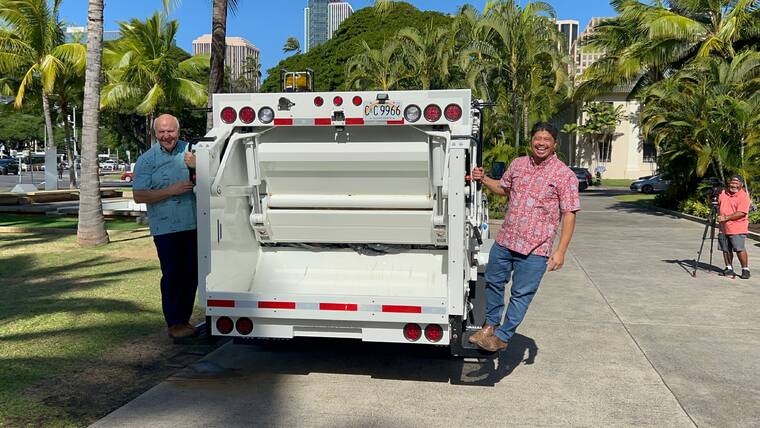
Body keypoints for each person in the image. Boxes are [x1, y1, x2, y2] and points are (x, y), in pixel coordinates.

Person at [469, 122, 580, 352]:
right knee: (492, 282)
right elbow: (504, 189)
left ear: (554, 143)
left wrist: (560, 251)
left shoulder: (564, 175)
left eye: (546, 139)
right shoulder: (518, 164)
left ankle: (503, 335)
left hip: (535, 248)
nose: (541, 143)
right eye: (537, 139)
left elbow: (569, 213)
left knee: (521, 294)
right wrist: (483, 179)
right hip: (507, 240)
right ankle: (490, 325)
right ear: (531, 141)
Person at [133, 114, 199, 339]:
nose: (166, 136)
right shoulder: (146, 160)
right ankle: (174, 323)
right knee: (172, 275)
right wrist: (171, 190)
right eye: (161, 132)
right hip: (166, 228)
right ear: (155, 133)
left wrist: (198, 165)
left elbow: (216, 176)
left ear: (178, 131)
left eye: (170, 131)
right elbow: (139, 195)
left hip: (193, 224)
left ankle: (184, 320)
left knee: (192, 274)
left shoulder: (192, 151)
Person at [717, 175, 751, 279]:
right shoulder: (723, 193)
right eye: (732, 183)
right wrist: (711, 197)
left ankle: (745, 269)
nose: (734, 185)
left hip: (737, 227)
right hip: (723, 227)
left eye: (736, 183)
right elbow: (715, 205)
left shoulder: (743, 196)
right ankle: (728, 268)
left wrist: (726, 218)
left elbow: (741, 213)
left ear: (741, 184)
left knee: (739, 249)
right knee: (725, 248)